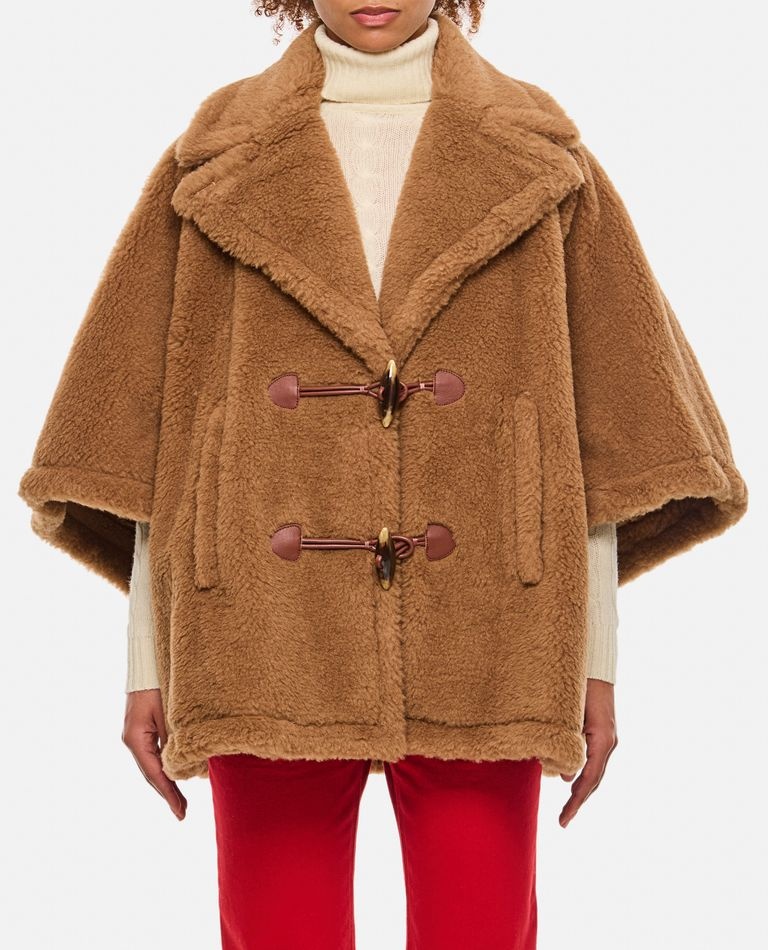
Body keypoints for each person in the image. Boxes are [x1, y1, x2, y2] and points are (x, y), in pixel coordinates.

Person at [17, 2, 748, 948]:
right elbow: (167, 443)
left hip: (494, 624)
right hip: (257, 625)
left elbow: (597, 442)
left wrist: (591, 661)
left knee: (479, 933)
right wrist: (151, 666)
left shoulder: (542, 156)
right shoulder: (212, 158)